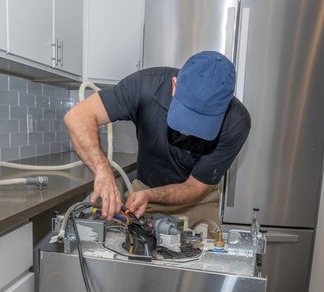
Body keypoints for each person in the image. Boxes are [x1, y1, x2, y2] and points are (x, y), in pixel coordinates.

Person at [63, 51, 251, 227]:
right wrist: (103, 171)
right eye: (186, 115)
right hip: (143, 194)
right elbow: (77, 117)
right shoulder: (145, 86)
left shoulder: (236, 122)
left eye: (202, 122)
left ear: (224, 108)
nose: (189, 131)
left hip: (197, 202)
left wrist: (151, 195)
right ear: (174, 86)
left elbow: (195, 186)